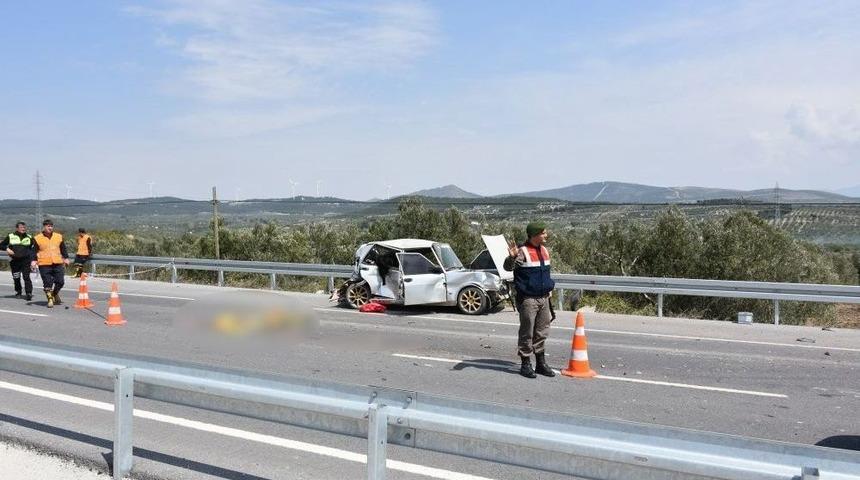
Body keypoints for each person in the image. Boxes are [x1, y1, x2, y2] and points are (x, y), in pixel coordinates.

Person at [504, 221, 556, 379]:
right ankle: (526, 364)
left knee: (541, 332)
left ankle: (540, 363)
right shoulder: (522, 251)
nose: (546, 235)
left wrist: (549, 291)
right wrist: (511, 258)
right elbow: (508, 267)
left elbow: (545, 274)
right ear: (534, 235)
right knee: (527, 332)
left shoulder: (545, 250)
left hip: (544, 298)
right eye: (543, 232)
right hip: (528, 300)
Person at [30, 219, 70, 308]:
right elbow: (33, 251)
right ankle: (50, 300)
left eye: (51, 226)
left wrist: (66, 258)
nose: (50, 228)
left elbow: (63, 248)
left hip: (57, 262)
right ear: (44, 227)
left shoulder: (58, 236)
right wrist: (33, 261)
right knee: (48, 282)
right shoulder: (37, 238)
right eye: (48, 226)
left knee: (60, 282)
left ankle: (55, 294)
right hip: (44, 263)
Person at [0, 222, 35, 300]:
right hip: (14, 261)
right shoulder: (11, 236)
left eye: (24, 227)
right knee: (16, 277)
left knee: (26, 277)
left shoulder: (29, 237)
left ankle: (29, 293)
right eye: (21, 227)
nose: (23, 228)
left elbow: (34, 249)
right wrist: (7, 249)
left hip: (26, 261)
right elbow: (1, 245)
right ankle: (18, 291)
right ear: (17, 228)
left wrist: (33, 261)